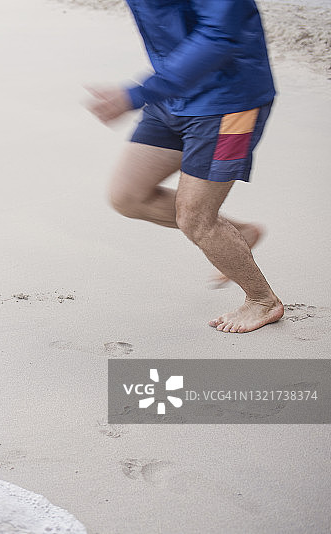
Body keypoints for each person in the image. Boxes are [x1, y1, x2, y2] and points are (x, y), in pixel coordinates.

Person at [85, 0, 284, 333]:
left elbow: (221, 34)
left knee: (195, 217)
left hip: (229, 102)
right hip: (172, 95)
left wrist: (137, 94)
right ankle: (240, 234)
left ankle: (262, 301)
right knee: (127, 196)